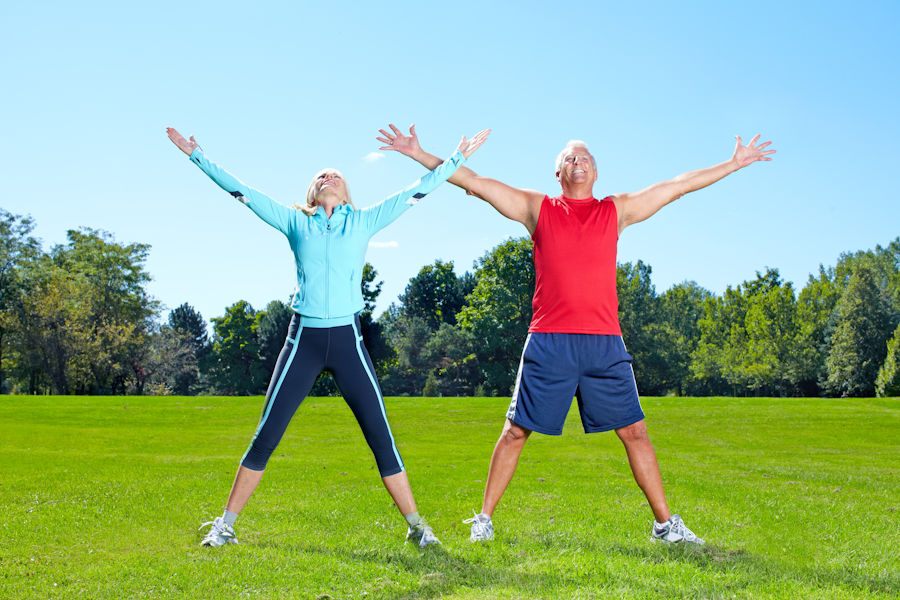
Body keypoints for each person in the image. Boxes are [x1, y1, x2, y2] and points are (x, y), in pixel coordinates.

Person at [377, 124, 774, 544]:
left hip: (604, 342)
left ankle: (664, 525)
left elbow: (676, 186)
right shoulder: (538, 208)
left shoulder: (615, 210)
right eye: (568, 158)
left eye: (584, 157)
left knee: (635, 431)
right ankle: (485, 520)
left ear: (596, 172)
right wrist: (419, 154)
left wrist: (732, 165)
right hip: (550, 339)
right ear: (558, 173)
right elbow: (473, 183)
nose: (577, 161)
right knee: (515, 431)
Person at [167, 125, 489, 548]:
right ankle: (224, 526)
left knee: (381, 436)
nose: (328, 177)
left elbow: (419, 190)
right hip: (303, 341)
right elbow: (242, 192)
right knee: (267, 434)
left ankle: (417, 527)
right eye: (320, 176)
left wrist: (455, 158)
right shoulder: (294, 220)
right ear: (311, 192)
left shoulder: (364, 220)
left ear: (347, 190)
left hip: (348, 342)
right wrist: (196, 155)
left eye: (335, 174)